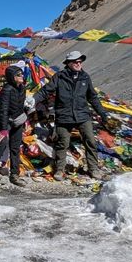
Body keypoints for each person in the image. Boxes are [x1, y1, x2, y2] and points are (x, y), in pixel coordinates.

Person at [33, 50, 113, 181]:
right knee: (62, 143)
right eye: (75, 61)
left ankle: (93, 169)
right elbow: (45, 91)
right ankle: (60, 170)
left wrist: (102, 113)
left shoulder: (85, 77)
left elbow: (92, 97)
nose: (78, 63)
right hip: (64, 116)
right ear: (68, 63)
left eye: (80, 61)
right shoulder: (59, 77)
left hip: (82, 115)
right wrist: (33, 100)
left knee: (90, 141)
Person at [0, 65, 31, 186]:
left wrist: (24, 118)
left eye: (21, 74)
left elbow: (21, 106)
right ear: (12, 77)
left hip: (18, 121)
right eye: (18, 75)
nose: (21, 76)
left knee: (15, 147)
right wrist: (4, 129)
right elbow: (3, 110)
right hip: (6, 122)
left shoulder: (22, 88)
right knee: (2, 142)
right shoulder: (7, 90)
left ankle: (14, 175)